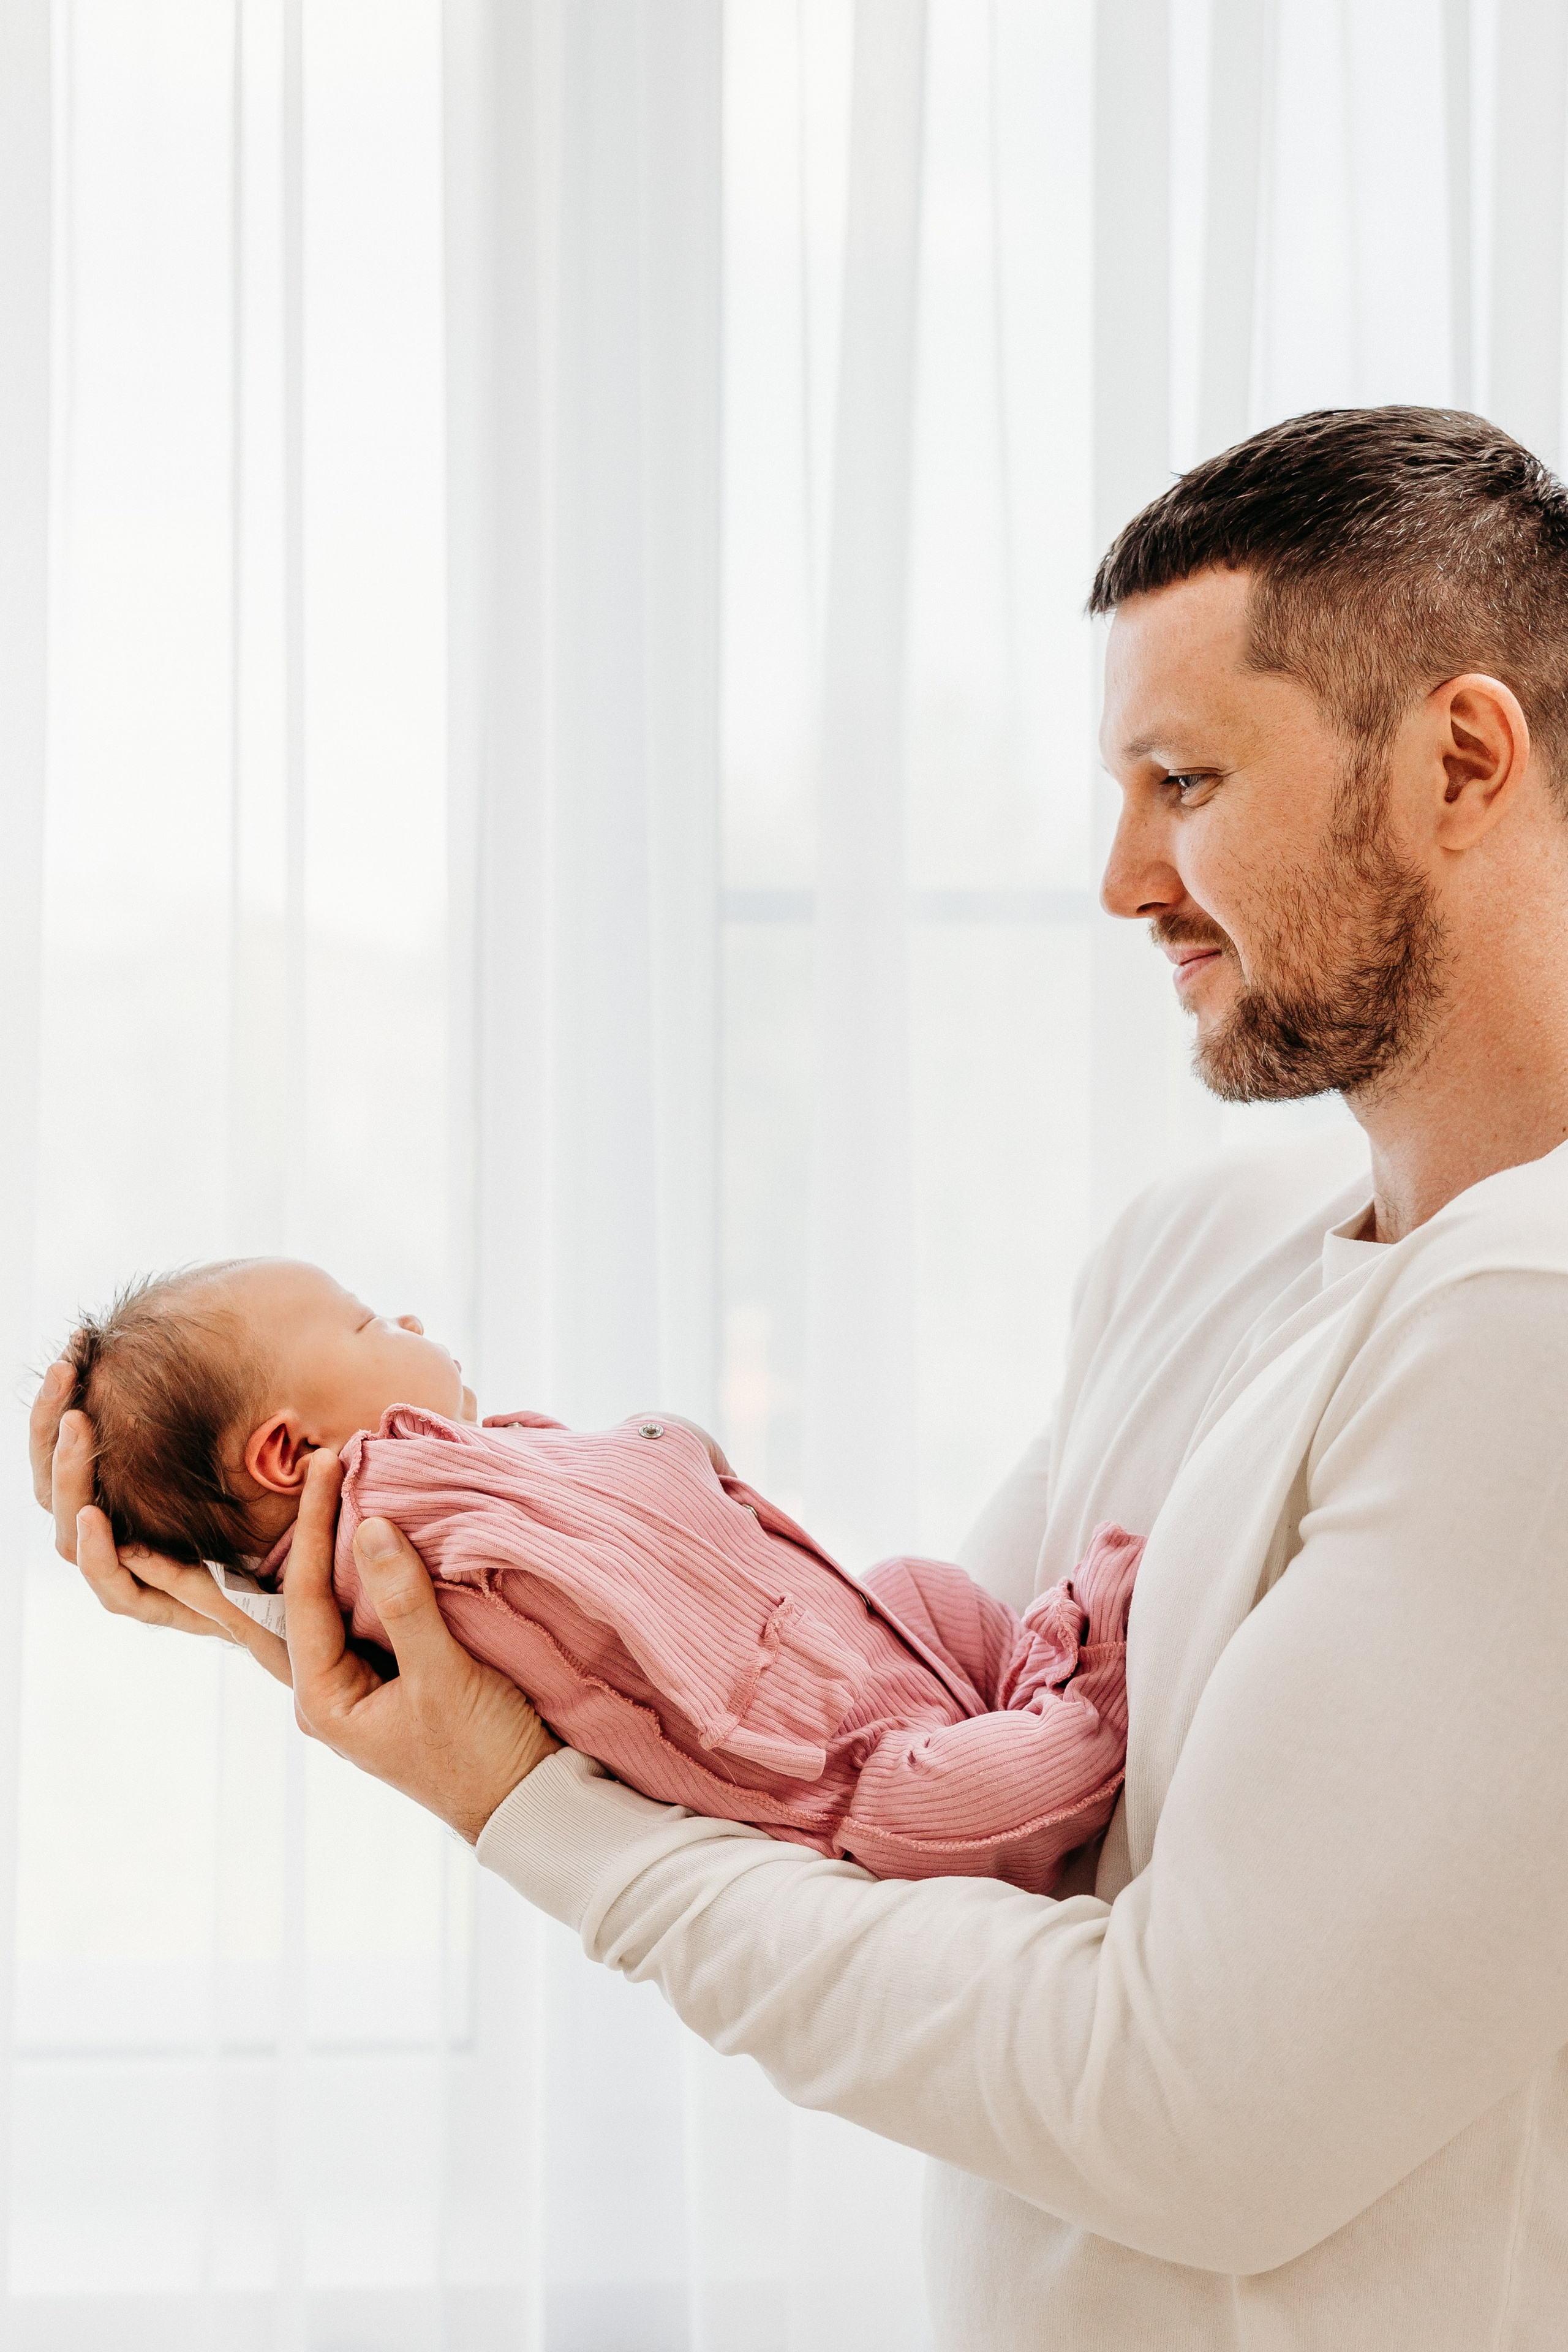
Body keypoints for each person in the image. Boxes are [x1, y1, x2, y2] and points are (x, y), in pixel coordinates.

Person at [31, 404, 1568, 2350]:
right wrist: (328, 1594)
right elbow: (890, 1767)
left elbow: (1186, 2113)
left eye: (1184, 780)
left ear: (1461, 760)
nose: (1119, 877)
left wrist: (525, 1809)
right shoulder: (1199, 1254)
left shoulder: (1532, 1330)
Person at [56, 1256, 1139, 1891]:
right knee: (954, 1799)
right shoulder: (393, 1503)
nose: (416, 1324)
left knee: (920, 1587)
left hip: (833, 1641)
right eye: (370, 1322)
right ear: (288, 1454)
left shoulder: (433, 1488)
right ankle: (1086, 1700)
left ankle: (1027, 1688)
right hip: (821, 1762)